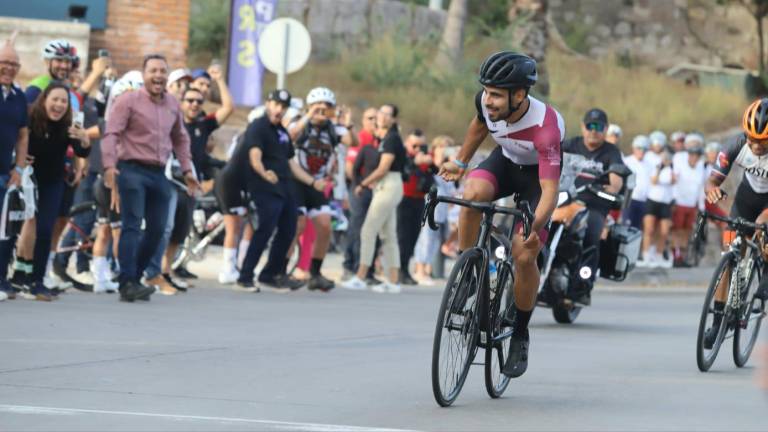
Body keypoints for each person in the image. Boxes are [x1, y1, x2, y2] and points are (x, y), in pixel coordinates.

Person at [439, 52, 564, 378]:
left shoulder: (545, 127)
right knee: (472, 196)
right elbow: (479, 125)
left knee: (524, 255)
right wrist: (461, 161)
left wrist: (533, 226)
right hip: (505, 163)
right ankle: (469, 272)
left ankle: (520, 333)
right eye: (486, 91)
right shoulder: (486, 103)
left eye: (496, 94)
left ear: (520, 95)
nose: (487, 99)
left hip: (536, 180)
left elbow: (550, 191)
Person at [101, 54, 199, 303]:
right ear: (144, 75)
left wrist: (187, 170)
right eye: (153, 71)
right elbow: (111, 133)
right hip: (130, 170)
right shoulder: (129, 101)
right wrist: (109, 166)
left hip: (158, 173)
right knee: (132, 225)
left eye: (162, 71)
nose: (158, 76)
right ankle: (127, 282)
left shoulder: (172, 105)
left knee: (157, 229)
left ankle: (135, 277)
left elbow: (180, 138)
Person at [704, 98, 768, 348]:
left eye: (762, 142)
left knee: (764, 234)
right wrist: (712, 191)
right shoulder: (735, 145)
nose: (755, 145)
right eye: (751, 139)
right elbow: (712, 182)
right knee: (730, 253)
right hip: (746, 198)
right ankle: (718, 322)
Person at [235, 89, 310, 292]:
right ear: (268, 103)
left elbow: (289, 161)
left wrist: (311, 181)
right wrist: (264, 172)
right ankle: (245, 276)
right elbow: (255, 155)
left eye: (283, 107)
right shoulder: (258, 127)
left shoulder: (282, 132)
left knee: (288, 230)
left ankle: (270, 274)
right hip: (264, 186)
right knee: (265, 229)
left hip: (285, 186)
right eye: (276, 105)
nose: (279, 110)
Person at [287, 87, 356, 291]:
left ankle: (315, 273)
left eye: (327, 106)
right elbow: (290, 135)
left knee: (325, 226)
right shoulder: (300, 122)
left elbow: (353, 142)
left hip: (318, 184)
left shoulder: (333, 129)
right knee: (297, 225)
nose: (322, 110)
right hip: (297, 182)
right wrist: (309, 115)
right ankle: (280, 269)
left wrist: (347, 123)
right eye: (318, 105)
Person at [27, 82, 91, 301]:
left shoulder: (68, 126)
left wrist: (84, 139)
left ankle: (37, 281)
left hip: (53, 182)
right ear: (45, 100)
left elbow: (82, 150)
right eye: (55, 99)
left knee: (46, 230)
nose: (59, 105)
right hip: (27, 179)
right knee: (13, 229)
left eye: (64, 101)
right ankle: (11, 276)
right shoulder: (31, 119)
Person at [341, 103, 407, 294]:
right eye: (381, 113)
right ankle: (394, 281)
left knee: (368, 231)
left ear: (393, 119)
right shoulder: (385, 137)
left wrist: (362, 184)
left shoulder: (392, 139)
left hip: (389, 185)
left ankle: (360, 277)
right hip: (387, 186)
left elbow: (383, 167)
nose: (383, 117)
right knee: (389, 235)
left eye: (388, 114)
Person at [561, 108, 626, 305]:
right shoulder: (571, 144)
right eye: (590, 126)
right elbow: (550, 157)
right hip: (566, 199)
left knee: (593, 231)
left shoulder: (611, 151)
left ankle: (583, 283)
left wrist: (613, 187)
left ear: (605, 129)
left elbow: (617, 179)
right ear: (583, 126)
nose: (593, 131)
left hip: (595, 204)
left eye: (598, 127)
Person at [0, 36, 29, 301]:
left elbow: (22, 136)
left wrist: (18, 169)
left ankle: (0, 280)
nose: (9, 68)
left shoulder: (19, 96)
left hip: (5, 174)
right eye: (4, 62)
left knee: (3, 231)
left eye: (14, 64)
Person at [413, 136, 457, 284]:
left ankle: (426, 270)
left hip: (442, 209)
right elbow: (432, 172)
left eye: (448, 146)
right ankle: (420, 269)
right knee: (426, 239)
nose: (445, 149)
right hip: (430, 206)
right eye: (443, 146)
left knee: (434, 241)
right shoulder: (430, 162)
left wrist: (453, 160)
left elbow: (453, 184)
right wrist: (438, 159)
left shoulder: (447, 165)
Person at [342, 107, 378, 279]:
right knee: (357, 226)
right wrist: (361, 185)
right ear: (363, 120)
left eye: (376, 118)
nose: (374, 121)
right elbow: (349, 167)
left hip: (377, 190)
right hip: (360, 190)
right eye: (370, 118)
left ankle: (366, 268)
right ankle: (350, 266)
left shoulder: (380, 139)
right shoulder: (361, 138)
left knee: (372, 230)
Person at [397, 129, 435, 285]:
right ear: (407, 144)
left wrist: (431, 163)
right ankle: (400, 270)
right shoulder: (403, 156)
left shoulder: (427, 159)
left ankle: (404, 269)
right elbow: (402, 171)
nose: (418, 149)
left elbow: (437, 173)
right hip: (403, 198)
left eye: (422, 146)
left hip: (419, 200)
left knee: (414, 236)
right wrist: (415, 162)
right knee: (403, 237)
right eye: (415, 146)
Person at [671, 134, 706, 265]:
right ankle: (676, 255)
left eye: (697, 156)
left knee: (687, 231)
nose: (694, 158)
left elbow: (701, 187)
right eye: (692, 155)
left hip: (691, 204)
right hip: (680, 202)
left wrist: (701, 206)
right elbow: (675, 182)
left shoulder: (700, 167)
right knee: (677, 230)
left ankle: (683, 257)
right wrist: (673, 199)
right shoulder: (680, 163)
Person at [638, 149, 676, 268]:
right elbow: (654, 181)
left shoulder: (673, 168)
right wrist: (660, 169)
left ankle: (659, 255)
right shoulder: (656, 167)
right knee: (649, 229)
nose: (666, 160)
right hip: (652, 201)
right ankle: (646, 255)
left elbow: (673, 180)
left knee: (664, 232)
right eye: (664, 158)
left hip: (665, 203)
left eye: (668, 158)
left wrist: (667, 171)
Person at [25, 39, 79, 111]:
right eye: (59, 60)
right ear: (47, 61)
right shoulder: (35, 89)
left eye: (68, 61)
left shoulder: (68, 89)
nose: (64, 66)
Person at [623, 135, 650, 230]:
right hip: (629, 199)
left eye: (644, 149)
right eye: (639, 148)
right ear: (634, 148)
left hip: (643, 201)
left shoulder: (649, 164)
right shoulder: (626, 161)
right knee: (625, 226)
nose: (641, 151)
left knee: (637, 229)